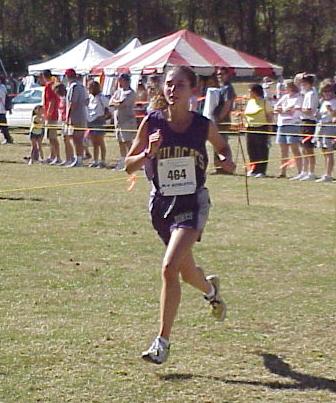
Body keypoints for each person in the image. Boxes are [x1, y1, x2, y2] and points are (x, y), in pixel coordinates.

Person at [125, 66, 236, 365]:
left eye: (180, 85)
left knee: (168, 268)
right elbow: (128, 166)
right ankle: (212, 290)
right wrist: (148, 152)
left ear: (193, 91)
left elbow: (223, 148)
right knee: (186, 273)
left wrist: (227, 161)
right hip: (161, 206)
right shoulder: (152, 122)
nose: (173, 90)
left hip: (192, 203)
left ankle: (162, 342)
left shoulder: (202, 125)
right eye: (169, 84)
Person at [274, 80, 303, 179]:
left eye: (285, 86)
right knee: (283, 150)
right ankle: (283, 172)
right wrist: (282, 110)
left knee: (295, 149)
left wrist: (284, 111)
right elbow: (276, 108)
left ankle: (300, 172)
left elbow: (292, 111)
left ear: (291, 86)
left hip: (292, 125)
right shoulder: (284, 97)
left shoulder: (298, 98)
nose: (284, 88)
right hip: (282, 125)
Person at [243, 84, 273, 177]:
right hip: (250, 128)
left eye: (250, 91)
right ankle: (253, 169)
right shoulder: (250, 102)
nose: (249, 93)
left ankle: (261, 171)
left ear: (255, 92)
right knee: (251, 149)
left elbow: (269, 116)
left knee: (261, 149)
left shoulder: (264, 102)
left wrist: (269, 130)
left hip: (261, 127)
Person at [110, 73, 137, 171]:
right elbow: (111, 102)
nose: (119, 82)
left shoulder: (130, 92)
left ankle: (132, 162)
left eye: (120, 80)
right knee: (120, 142)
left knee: (128, 142)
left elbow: (122, 104)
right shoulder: (118, 92)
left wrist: (116, 103)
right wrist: (116, 102)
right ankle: (122, 161)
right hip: (118, 121)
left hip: (127, 121)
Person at [212, 67, 236, 174]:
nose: (219, 76)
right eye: (218, 74)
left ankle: (227, 167)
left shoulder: (228, 88)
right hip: (215, 120)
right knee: (215, 144)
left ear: (227, 75)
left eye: (221, 74)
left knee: (222, 144)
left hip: (222, 121)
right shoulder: (220, 87)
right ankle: (218, 167)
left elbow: (227, 105)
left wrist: (219, 118)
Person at [65, 68, 88, 168]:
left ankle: (78, 159)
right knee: (78, 138)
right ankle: (78, 157)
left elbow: (72, 103)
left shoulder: (73, 87)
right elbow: (87, 101)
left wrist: (67, 117)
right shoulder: (82, 86)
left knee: (76, 138)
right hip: (82, 114)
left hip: (76, 116)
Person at [314, 80, 336, 182]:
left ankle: (328, 174)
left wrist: (331, 111)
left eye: (329, 91)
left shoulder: (334, 101)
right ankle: (325, 173)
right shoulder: (323, 102)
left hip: (330, 127)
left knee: (329, 151)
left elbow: (334, 117)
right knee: (323, 150)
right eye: (325, 91)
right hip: (321, 127)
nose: (327, 93)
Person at [299, 74, 319, 181]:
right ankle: (304, 171)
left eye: (304, 83)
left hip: (309, 121)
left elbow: (310, 110)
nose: (302, 85)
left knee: (309, 148)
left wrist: (299, 109)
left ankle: (311, 172)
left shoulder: (312, 93)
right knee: (303, 148)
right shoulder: (306, 93)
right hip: (303, 121)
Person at [40, 70, 61, 164]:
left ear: (44, 76)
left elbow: (51, 101)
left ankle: (58, 157)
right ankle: (52, 155)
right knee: (50, 136)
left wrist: (48, 114)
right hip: (53, 114)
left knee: (53, 137)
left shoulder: (49, 86)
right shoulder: (52, 84)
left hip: (51, 115)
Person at [87, 81, 108, 168]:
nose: (89, 89)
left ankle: (102, 161)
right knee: (94, 142)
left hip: (99, 120)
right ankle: (95, 160)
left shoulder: (102, 97)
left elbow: (108, 107)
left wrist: (105, 117)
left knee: (100, 141)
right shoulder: (90, 97)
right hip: (91, 121)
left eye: (90, 87)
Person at [54, 83, 75, 166]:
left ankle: (71, 157)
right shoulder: (61, 98)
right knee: (65, 139)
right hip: (63, 121)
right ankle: (68, 158)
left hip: (68, 121)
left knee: (69, 139)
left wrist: (67, 119)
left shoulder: (67, 98)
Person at [0, 75, 14, 144]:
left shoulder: (2, 88)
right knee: (3, 127)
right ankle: (8, 138)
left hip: (1, 110)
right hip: (2, 110)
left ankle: (8, 139)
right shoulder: (3, 87)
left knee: (4, 127)